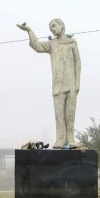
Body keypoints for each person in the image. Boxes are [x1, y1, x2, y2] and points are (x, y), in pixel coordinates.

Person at [16, 19, 81, 149]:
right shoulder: (52, 44)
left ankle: (71, 139)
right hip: (58, 86)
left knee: (70, 114)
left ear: (62, 25)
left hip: (71, 85)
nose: (52, 29)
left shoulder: (72, 43)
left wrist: (77, 82)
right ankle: (60, 139)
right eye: (50, 28)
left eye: (54, 26)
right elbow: (37, 46)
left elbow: (77, 62)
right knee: (59, 115)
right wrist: (29, 31)